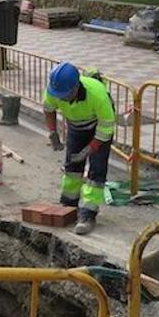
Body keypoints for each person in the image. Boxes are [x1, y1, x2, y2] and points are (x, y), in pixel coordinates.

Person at [44, 63, 116, 235]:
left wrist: (90, 149)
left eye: (65, 95)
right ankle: (69, 205)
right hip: (76, 126)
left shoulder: (97, 95)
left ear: (76, 87)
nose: (62, 99)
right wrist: (52, 132)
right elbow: (48, 109)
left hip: (98, 127)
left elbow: (106, 129)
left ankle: (88, 213)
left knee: (96, 170)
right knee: (72, 167)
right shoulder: (55, 90)